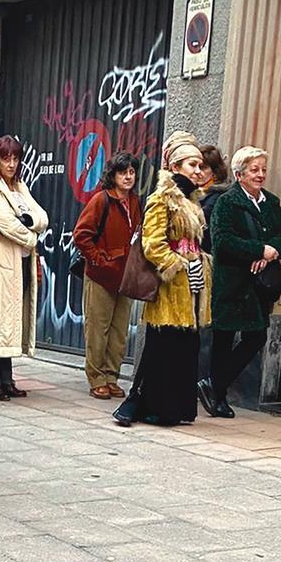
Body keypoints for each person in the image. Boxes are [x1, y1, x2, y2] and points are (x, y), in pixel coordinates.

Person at [113, 132, 212, 427]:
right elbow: (152, 244)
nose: (199, 170)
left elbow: (199, 245)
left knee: (185, 348)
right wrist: (178, 266)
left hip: (191, 288)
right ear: (176, 166)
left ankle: (176, 408)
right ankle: (145, 406)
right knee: (162, 348)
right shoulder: (162, 199)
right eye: (192, 165)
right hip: (170, 289)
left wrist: (200, 265)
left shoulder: (192, 202)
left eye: (200, 165)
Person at [199, 146, 281, 419]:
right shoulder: (227, 202)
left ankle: (213, 384)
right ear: (240, 174)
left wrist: (270, 251)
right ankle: (219, 398)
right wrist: (257, 250)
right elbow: (223, 241)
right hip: (232, 281)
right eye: (254, 170)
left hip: (259, 286)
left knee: (257, 336)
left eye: (263, 169)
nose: (260, 174)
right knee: (224, 339)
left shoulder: (271, 203)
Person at [0, 136, 49, 401]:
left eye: (16, 158)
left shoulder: (19, 186)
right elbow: (8, 224)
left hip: (21, 263)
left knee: (11, 320)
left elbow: (41, 217)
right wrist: (31, 234)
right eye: (6, 158)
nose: (11, 163)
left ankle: (7, 379)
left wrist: (30, 224)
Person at [72, 152, 142, 400]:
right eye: (123, 172)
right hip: (101, 276)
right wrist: (100, 259)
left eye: (132, 172)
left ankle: (112, 376)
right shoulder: (101, 200)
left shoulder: (135, 202)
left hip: (125, 276)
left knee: (119, 330)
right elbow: (81, 235)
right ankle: (96, 377)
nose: (128, 176)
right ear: (112, 175)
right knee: (97, 328)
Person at [196, 145, 231, 254]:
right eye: (195, 166)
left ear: (215, 172)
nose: (198, 171)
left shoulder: (217, 197)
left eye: (203, 167)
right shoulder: (194, 191)